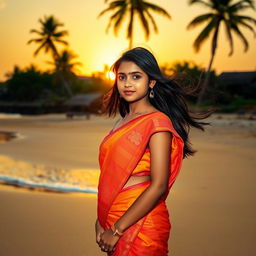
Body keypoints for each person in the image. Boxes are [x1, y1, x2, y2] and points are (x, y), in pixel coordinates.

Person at [95, 47, 210, 255]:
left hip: (142, 220)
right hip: (113, 215)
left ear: (151, 82)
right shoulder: (121, 122)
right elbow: (109, 175)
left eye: (136, 77)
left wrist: (117, 229)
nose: (127, 83)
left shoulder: (157, 122)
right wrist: (100, 219)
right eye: (122, 77)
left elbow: (158, 185)